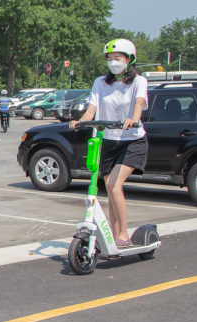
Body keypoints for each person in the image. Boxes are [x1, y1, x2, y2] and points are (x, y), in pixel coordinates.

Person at [69, 39, 148, 247]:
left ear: (129, 59)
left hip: (132, 140)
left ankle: (123, 234)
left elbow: (139, 103)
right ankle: (114, 237)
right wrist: (80, 122)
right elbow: (91, 109)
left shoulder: (139, 82)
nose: (113, 62)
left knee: (114, 185)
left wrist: (133, 118)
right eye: (110, 59)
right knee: (111, 189)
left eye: (118, 58)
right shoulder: (100, 83)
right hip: (108, 141)